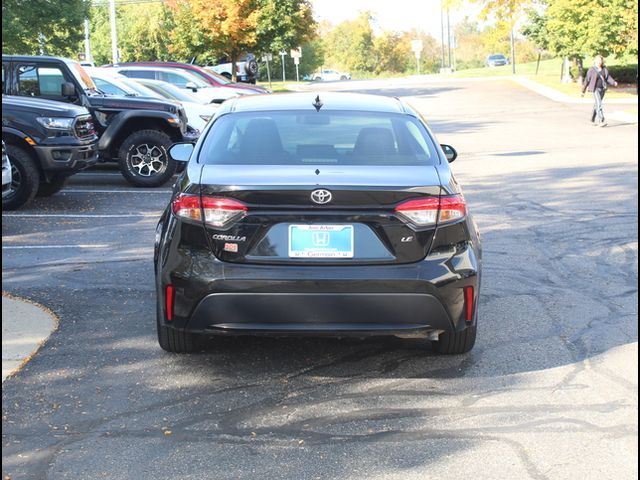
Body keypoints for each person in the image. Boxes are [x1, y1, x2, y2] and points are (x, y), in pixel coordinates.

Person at [581, 55, 618, 127]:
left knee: (597, 104)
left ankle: (592, 119)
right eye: (598, 60)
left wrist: (613, 82)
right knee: (599, 103)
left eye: (600, 60)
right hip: (595, 89)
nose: (599, 62)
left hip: (603, 89)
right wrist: (583, 91)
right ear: (595, 61)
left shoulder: (604, 69)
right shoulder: (591, 70)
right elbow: (587, 80)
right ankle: (601, 120)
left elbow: (608, 78)